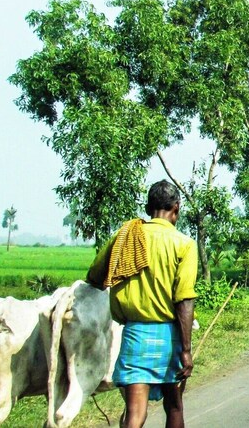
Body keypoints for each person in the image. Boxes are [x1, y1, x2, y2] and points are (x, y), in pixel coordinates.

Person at [86, 180, 198, 428]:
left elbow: (94, 277)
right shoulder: (184, 244)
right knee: (174, 406)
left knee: (135, 413)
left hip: (135, 335)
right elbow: (184, 300)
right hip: (171, 338)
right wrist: (186, 350)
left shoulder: (125, 236)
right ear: (176, 209)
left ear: (148, 208)